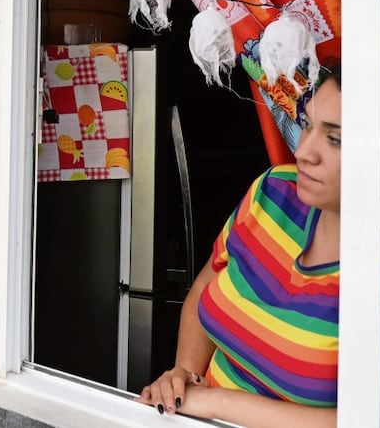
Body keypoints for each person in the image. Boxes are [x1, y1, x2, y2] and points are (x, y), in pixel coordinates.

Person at [138, 66, 341, 428]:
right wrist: (184, 375)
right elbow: (205, 286)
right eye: (308, 125)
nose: (304, 151)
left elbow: (372, 419)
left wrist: (215, 403)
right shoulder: (274, 191)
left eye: (335, 139)